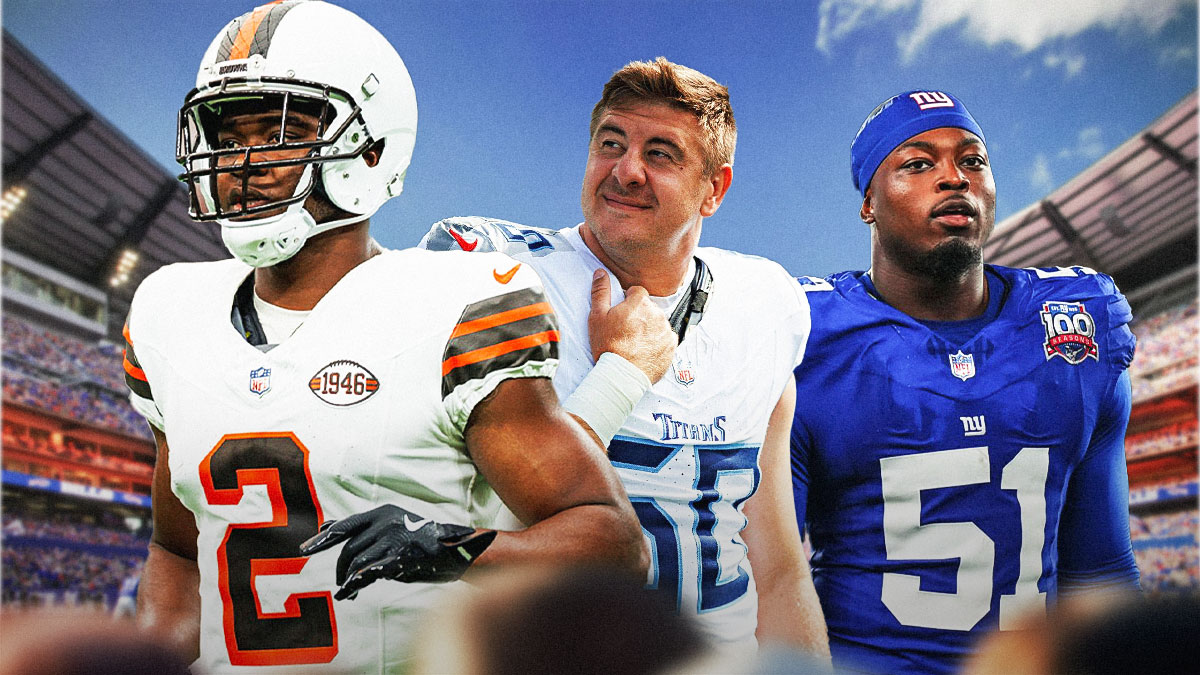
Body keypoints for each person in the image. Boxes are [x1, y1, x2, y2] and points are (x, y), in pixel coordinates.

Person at [123, 2, 646, 671]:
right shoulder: (170, 312)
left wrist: (452, 548)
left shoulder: (459, 304)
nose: (241, 161)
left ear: (372, 146)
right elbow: (175, 549)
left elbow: (613, 543)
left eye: (278, 129)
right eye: (226, 134)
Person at [420, 57, 830, 659]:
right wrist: (622, 374)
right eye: (610, 143)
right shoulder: (493, 273)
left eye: (661, 153)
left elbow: (776, 565)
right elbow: (458, 520)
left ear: (714, 189)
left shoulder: (766, 303)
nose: (626, 171)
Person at [790, 90, 1141, 674]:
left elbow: (1099, 572)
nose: (954, 177)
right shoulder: (806, 335)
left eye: (972, 160)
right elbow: (771, 578)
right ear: (868, 203)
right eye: (918, 163)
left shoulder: (1074, 327)